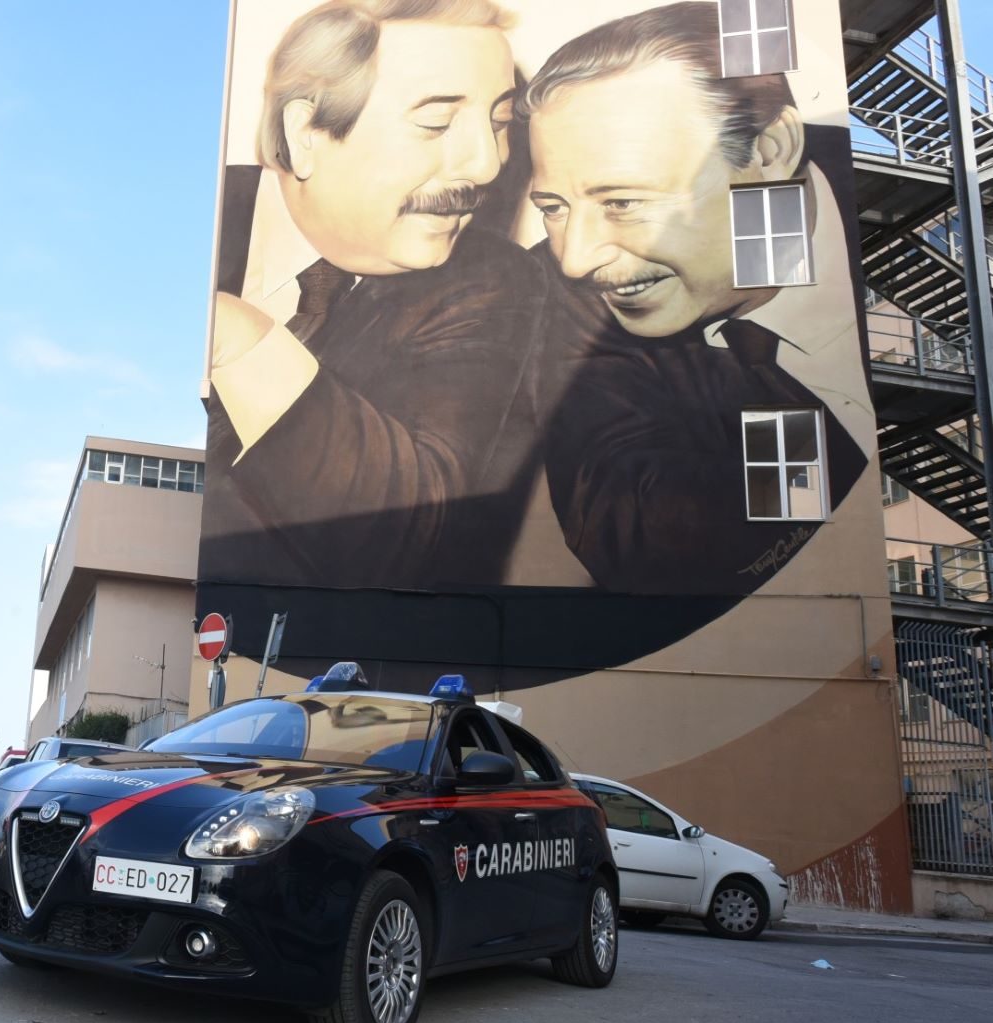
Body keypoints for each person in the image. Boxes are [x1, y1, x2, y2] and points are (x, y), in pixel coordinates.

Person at [519, 1, 868, 595]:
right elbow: (649, 545)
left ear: (767, 152)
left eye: (622, 202)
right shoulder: (558, 293)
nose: (576, 258)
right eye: (554, 208)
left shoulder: (874, 197)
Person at [202, 0, 549, 592]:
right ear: (304, 132)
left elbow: (403, 537)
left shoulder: (493, 283)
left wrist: (238, 337)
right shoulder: (188, 222)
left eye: (498, 123)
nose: (487, 166)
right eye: (436, 124)